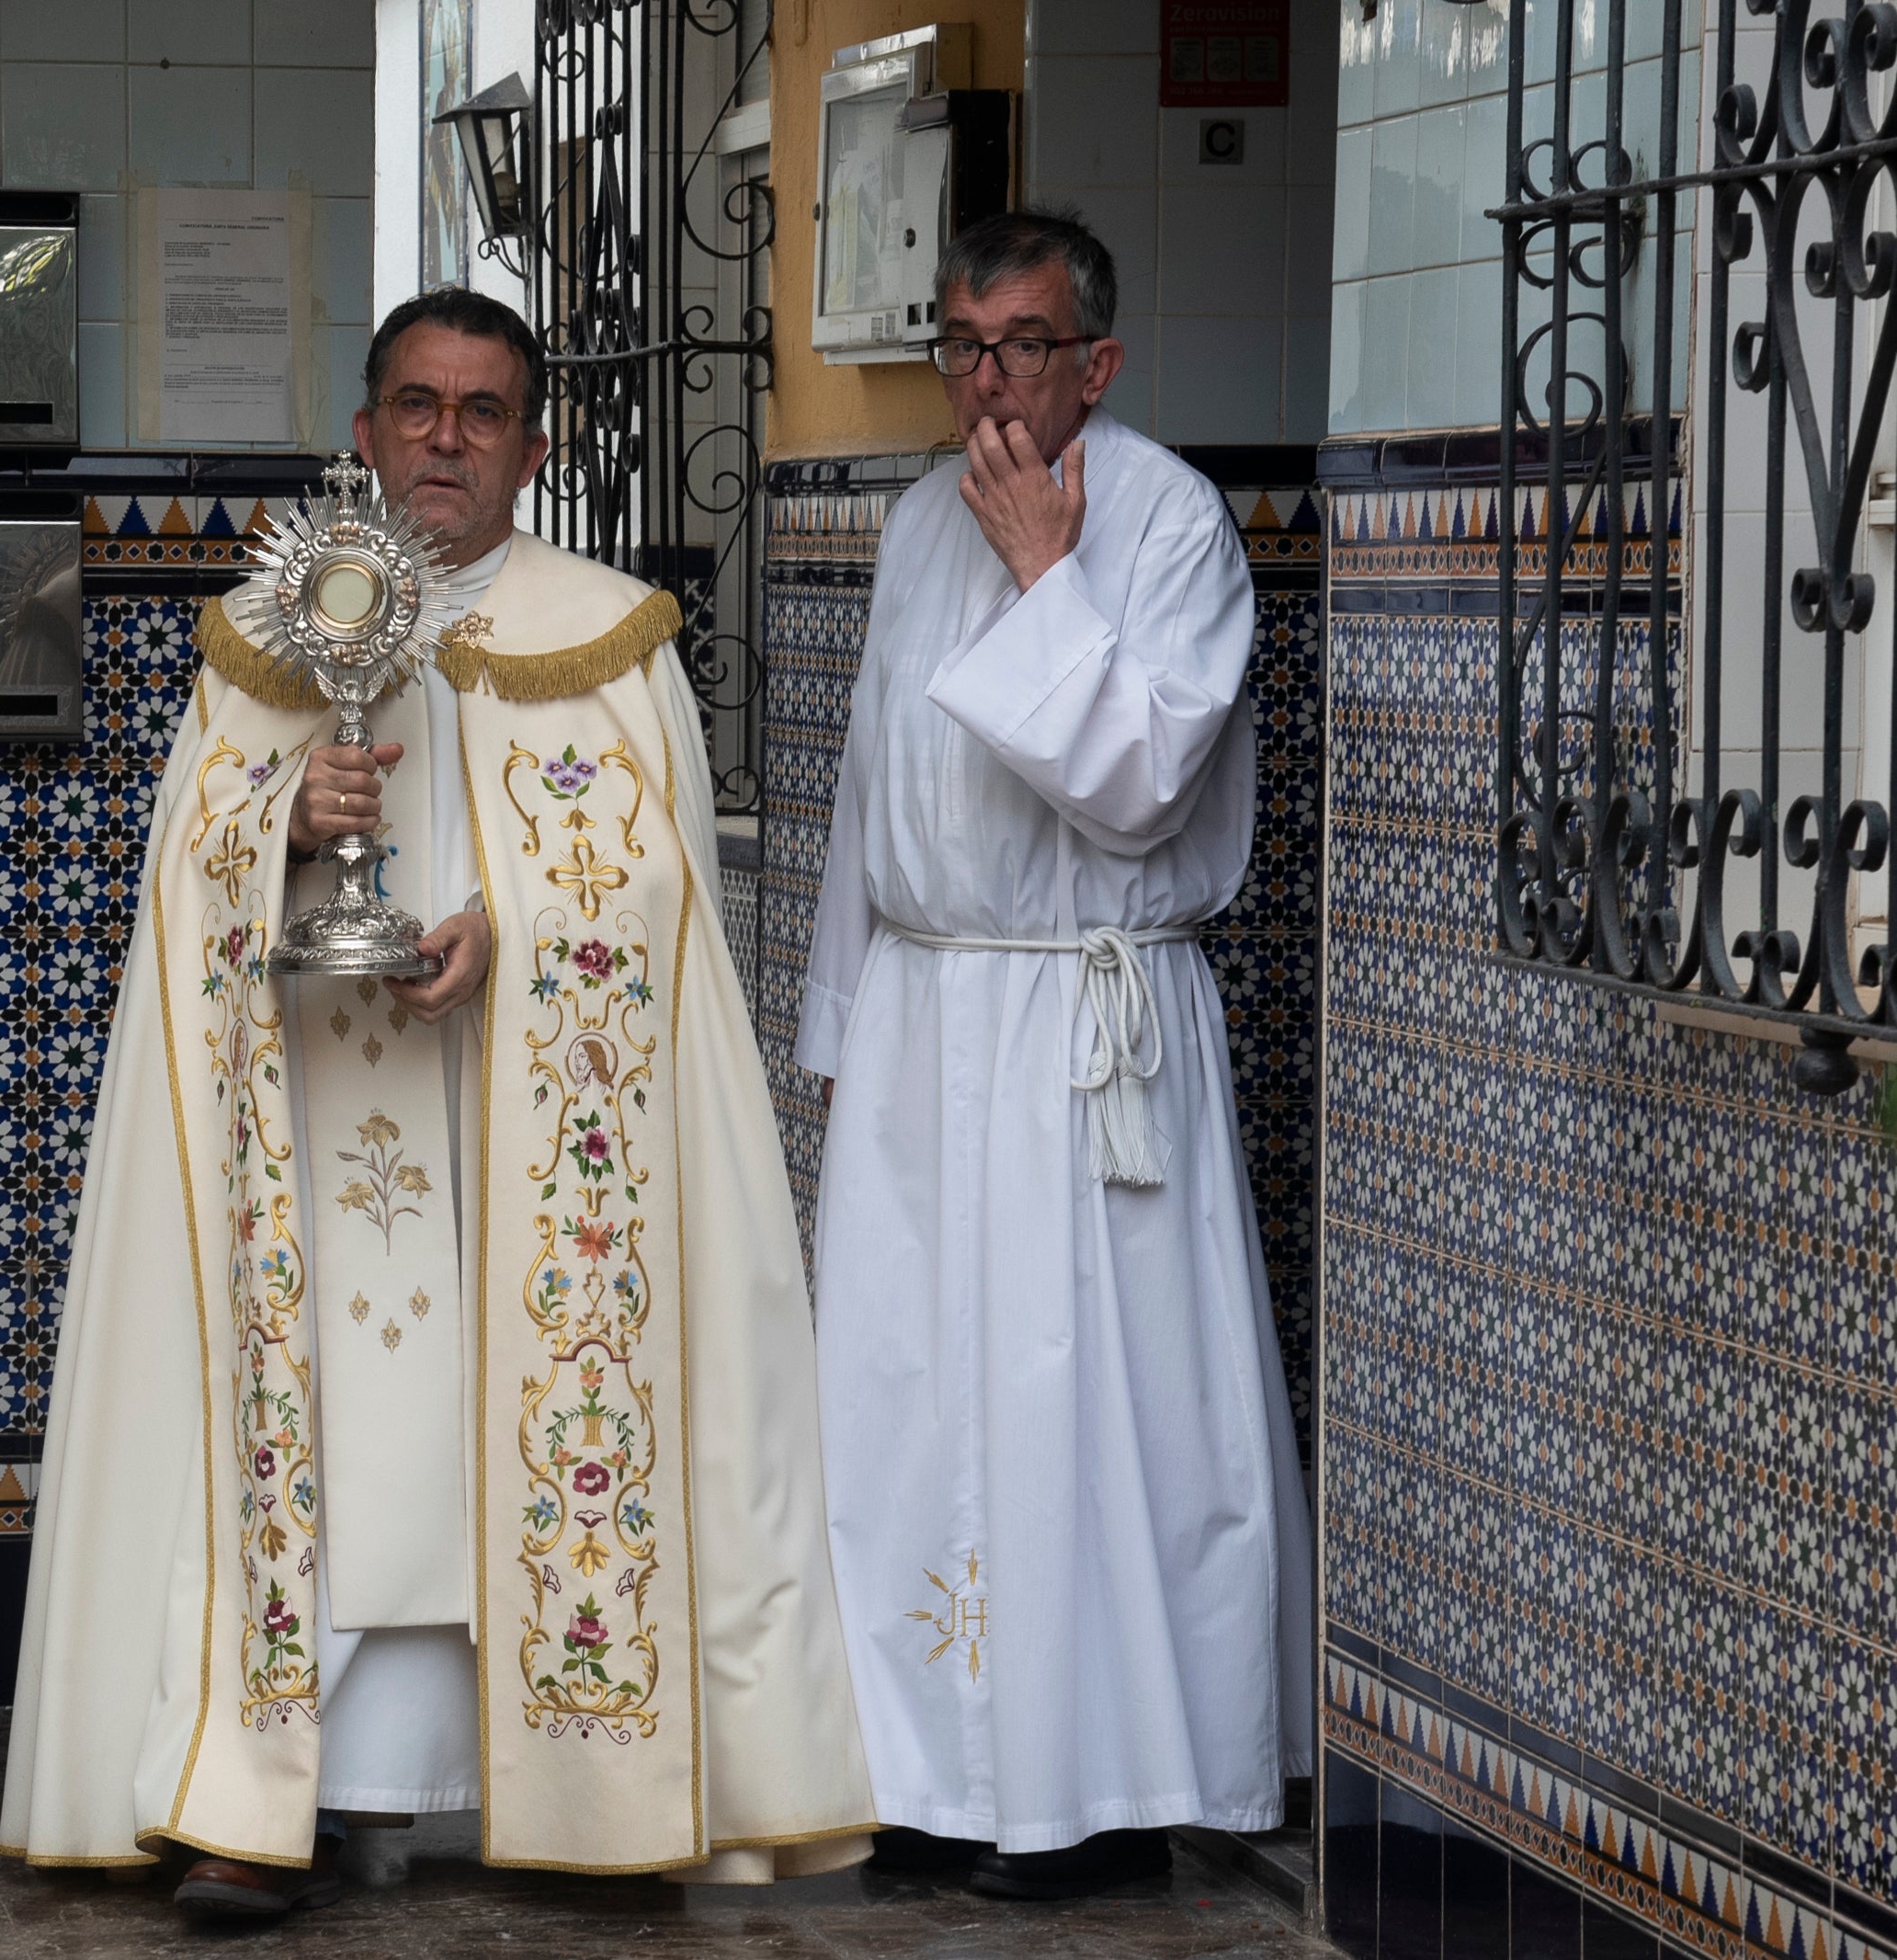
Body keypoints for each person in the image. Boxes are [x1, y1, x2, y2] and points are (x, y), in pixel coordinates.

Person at [1, 287, 873, 1918]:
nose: (446, 440)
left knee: (530, 1439)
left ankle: (592, 1795)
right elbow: (182, 887)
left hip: (543, 1158)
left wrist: (520, 935)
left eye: (481, 413)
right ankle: (281, 1799)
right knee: (332, 1436)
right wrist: (280, 822)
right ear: (363, 430)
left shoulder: (613, 636)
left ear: (534, 450)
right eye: (416, 406)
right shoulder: (266, 641)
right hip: (326, 1139)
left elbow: (669, 912)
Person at [797, 209, 1314, 1901]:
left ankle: (1096, 1788)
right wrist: (843, 1023)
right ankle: (928, 1773)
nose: (988, 383)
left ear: (1097, 359)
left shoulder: (1168, 524)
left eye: (1022, 346)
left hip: (1087, 1034)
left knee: (1083, 1400)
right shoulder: (907, 524)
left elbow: (1143, 780)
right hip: (933, 1011)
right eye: (961, 345)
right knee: (905, 1399)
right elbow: (876, 794)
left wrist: (1044, 572)